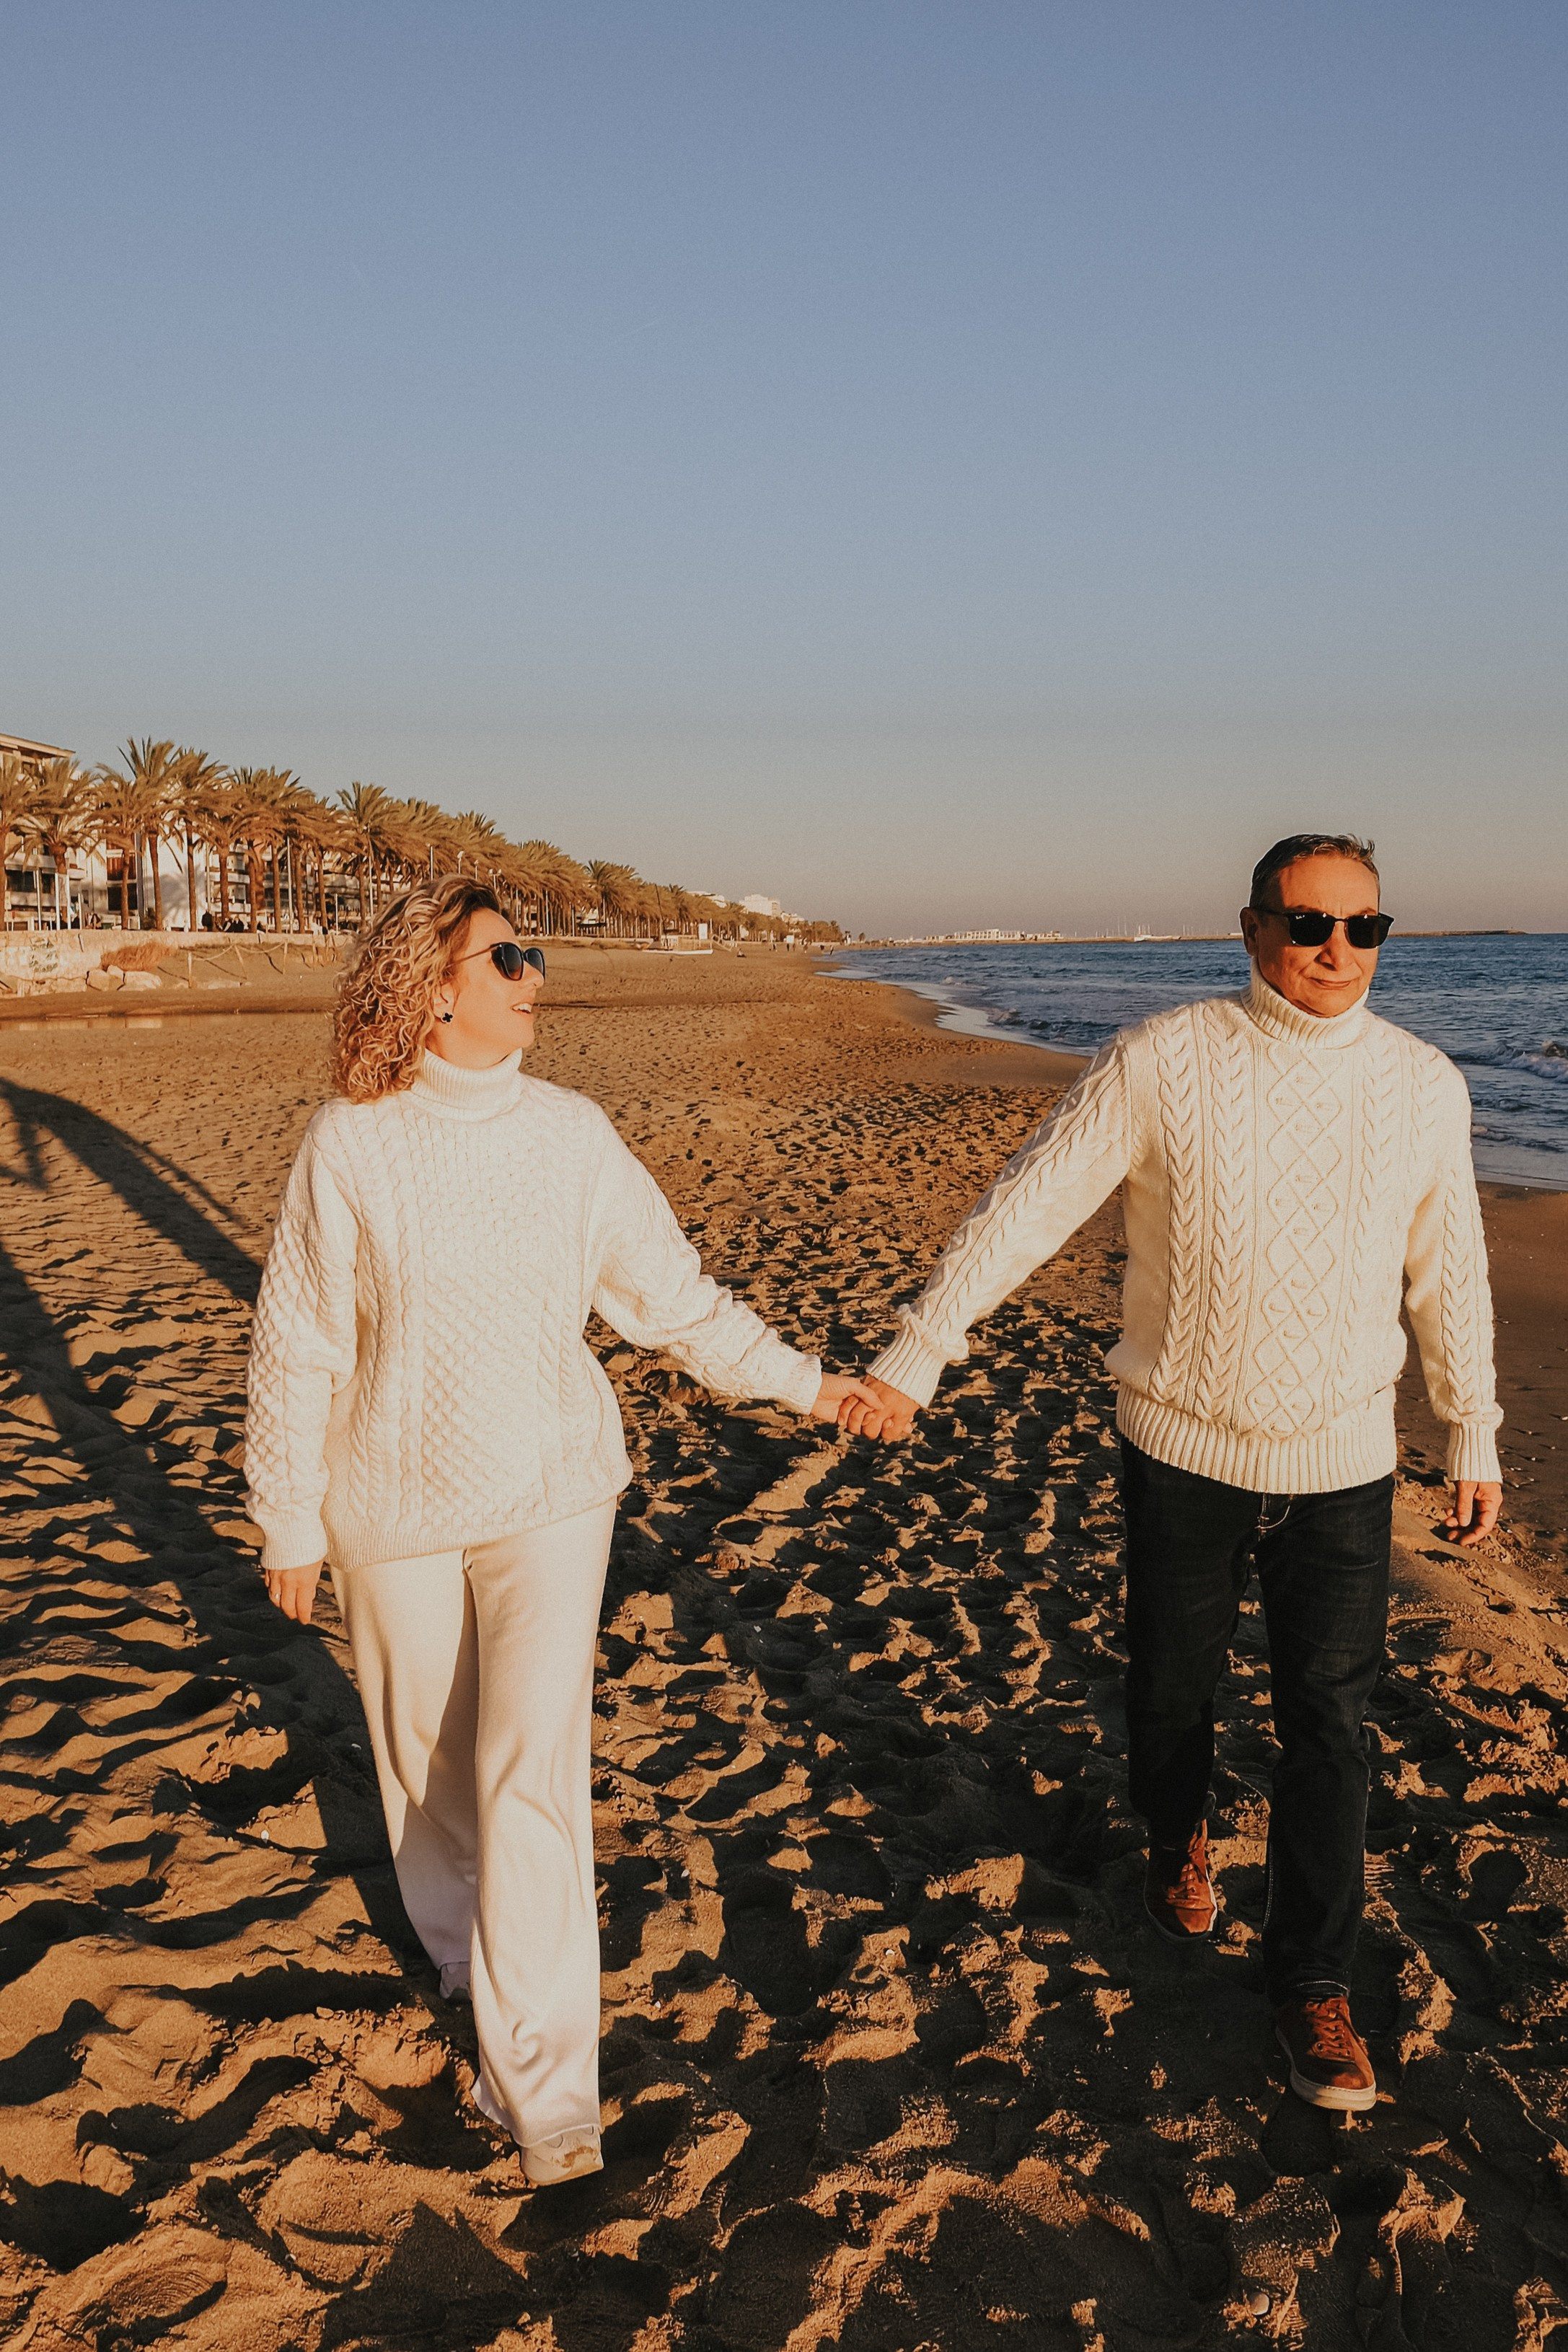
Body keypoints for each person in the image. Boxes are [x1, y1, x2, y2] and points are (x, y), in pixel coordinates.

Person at [840, 834, 1502, 2114]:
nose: (1334, 950)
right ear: (1251, 928)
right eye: (1308, 923)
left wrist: (1467, 1425)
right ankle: (1177, 1830)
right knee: (1170, 1684)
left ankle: (1310, 1981)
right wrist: (918, 1352)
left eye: (1364, 928)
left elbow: (1452, 1269)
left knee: (1331, 1725)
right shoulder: (1162, 1058)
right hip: (1180, 1442)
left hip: (1344, 1461)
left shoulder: (1424, 1085)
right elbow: (1026, 1206)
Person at [245, 874, 876, 2186]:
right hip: (393, 1505)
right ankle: (462, 1960)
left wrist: (808, 1382)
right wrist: (286, 1512)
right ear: (434, 985)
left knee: (530, 1771)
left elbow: (673, 1302)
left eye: (533, 953)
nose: (539, 975)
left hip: (550, 1493)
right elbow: (297, 1339)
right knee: (424, 1771)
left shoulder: (573, 1134)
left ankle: (543, 2093)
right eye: (510, 955)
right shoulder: (349, 1143)